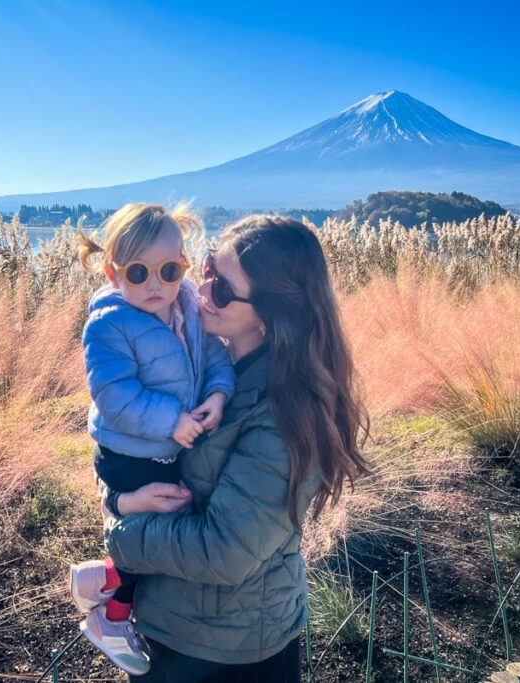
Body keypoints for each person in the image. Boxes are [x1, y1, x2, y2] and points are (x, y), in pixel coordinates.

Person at [74, 215, 370, 681]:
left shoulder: (289, 412)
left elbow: (226, 550)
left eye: (223, 291)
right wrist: (119, 500)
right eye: (207, 271)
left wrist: (122, 537)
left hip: (228, 653)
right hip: (168, 624)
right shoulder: (203, 359)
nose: (200, 291)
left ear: (275, 315)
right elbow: (129, 448)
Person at [69, 203, 236, 675]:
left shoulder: (185, 304)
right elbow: (114, 395)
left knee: (169, 517)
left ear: (183, 264)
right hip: (130, 451)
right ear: (112, 272)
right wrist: (171, 421)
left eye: (168, 269)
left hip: (164, 446)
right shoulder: (109, 324)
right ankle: (112, 619)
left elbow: (213, 356)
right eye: (138, 272)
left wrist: (220, 393)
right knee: (159, 530)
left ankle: (98, 577)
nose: (154, 284)